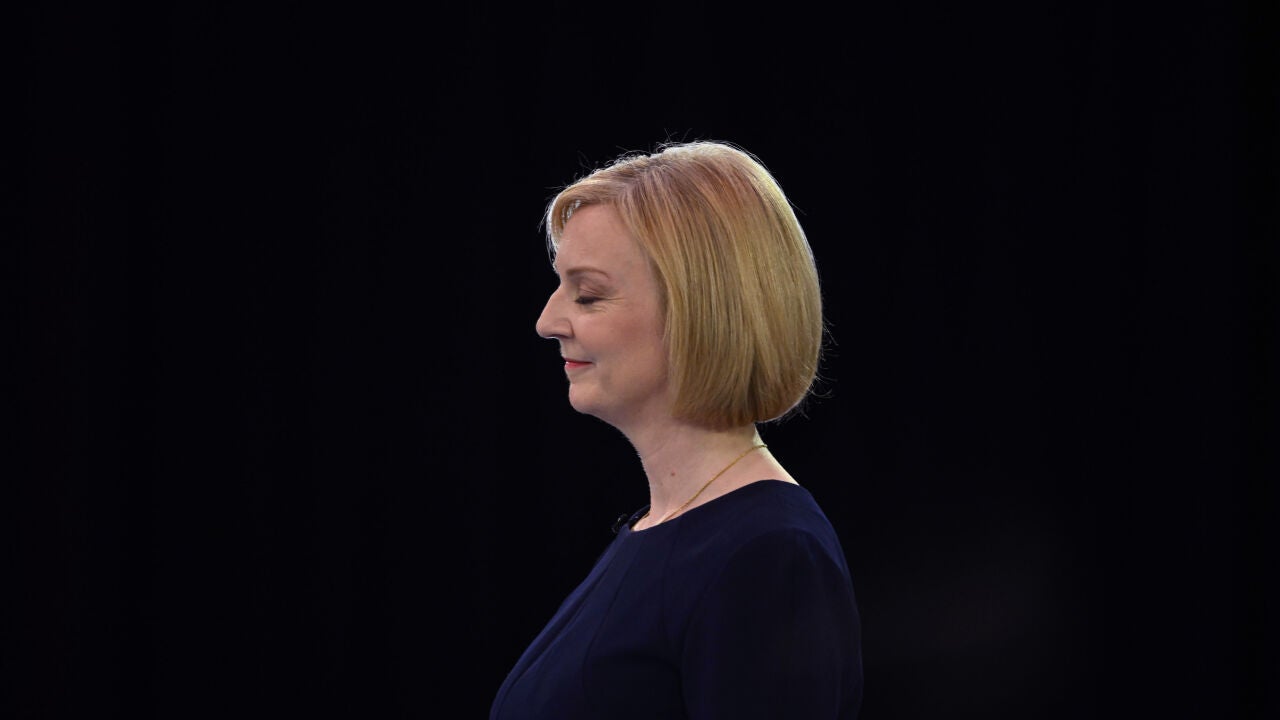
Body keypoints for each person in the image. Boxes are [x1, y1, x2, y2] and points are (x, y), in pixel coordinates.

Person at [490, 141, 863, 719]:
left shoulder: (768, 555)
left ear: (698, 309)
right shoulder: (660, 529)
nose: (547, 321)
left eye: (587, 294)